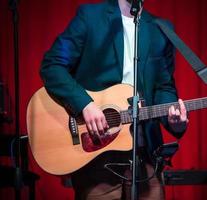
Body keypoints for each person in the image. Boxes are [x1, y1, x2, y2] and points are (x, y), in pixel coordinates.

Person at [40, 0, 188, 199]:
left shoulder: (161, 28)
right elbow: (52, 66)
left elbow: (164, 86)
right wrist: (85, 104)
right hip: (96, 152)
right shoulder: (90, 17)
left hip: (145, 152)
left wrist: (174, 120)